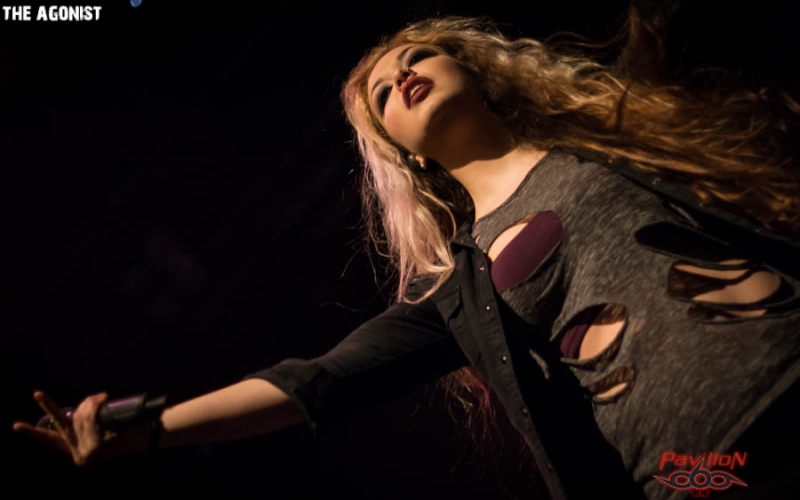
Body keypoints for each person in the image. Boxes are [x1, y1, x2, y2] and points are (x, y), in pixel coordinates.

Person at [14, 14, 800, 500]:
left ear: (477, 73)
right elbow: (313, 381)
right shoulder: (460, 291)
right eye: (384, 93)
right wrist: (150, 429)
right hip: (700, 472)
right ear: (405, 154)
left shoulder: (606, 138)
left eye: (415, 57)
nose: (401, 74)